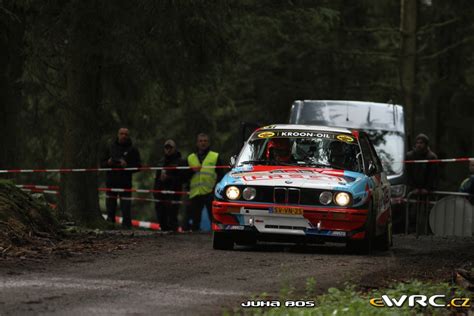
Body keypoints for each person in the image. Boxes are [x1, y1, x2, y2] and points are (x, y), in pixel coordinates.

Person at [100, 128, 141, 228]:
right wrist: (108, 163)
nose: (123, 136)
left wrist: (127, 166)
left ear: (128, 136)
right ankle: (110, 225)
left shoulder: (133, 149)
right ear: (118, 135)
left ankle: (127, 227)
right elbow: (102, 164)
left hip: (125, 183)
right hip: (111, 182)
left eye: (126, 134)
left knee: (126, 207)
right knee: (110, 207)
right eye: (121, 134)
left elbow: (138, 167)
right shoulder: (110, 147)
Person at [185, 133, 225, 231]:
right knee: (195, 220)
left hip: (209, 192)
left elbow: (221, 174)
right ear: (197, 143)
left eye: (205, 141)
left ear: (208, 143)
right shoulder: (190, 157)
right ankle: (194, 241)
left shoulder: (215, 156)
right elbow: (184, 175)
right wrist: (191, 171)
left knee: (214, 217)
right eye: (201, 141)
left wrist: (216, 188)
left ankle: (215, 237)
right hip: (195, 193)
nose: (203, 143)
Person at [154, 139, 186, 231]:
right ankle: (163, 233)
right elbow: (157, 178)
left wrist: (169, 177)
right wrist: (155, 192)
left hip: (173, 193)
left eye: (170, 148)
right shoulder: (161, 161)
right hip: (160, 193)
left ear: (175, 149)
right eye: (166, 147)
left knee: (172, 216)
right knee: (161, 216)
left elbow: (182, 178)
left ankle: (174, 236)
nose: (168, 150)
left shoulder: (180, 162)